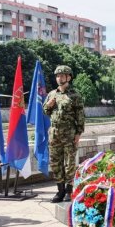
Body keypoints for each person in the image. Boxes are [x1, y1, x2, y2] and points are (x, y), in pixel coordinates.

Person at [43, 65, 85, 203]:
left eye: (62, 75)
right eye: (57, 76)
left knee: (69, 163)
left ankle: (69, 190)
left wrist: (78, 133)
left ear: (68, 77)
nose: (59, 78)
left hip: (69, 134)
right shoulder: (51, 94)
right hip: (54, 134)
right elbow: (46, 112)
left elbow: (80, 116)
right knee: (55, 163)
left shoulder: (75, 95)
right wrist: (48, 105)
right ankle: (60, 190)